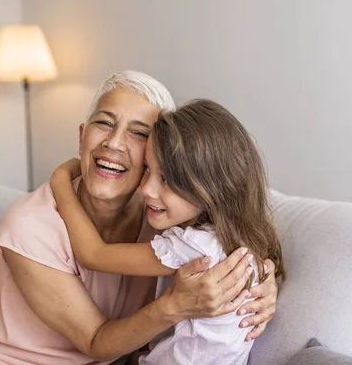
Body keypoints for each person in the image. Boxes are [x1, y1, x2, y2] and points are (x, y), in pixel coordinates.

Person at [0, 71, 278, 365]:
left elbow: (241, 237)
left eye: (139, 133)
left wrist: (265, 283)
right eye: (105, 123)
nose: (114, 142)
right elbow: (96, 338)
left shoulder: (164, 214)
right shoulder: (29, 225)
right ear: (82, 137)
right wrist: (175, 306)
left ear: (163, 154)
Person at [50, 98, 286, 364]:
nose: (147, 189)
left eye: (167, 180)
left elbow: (93, 254)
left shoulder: (193, 246)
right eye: (148, 169)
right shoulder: (238, 236)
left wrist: (60, 182)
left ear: (210, 185)